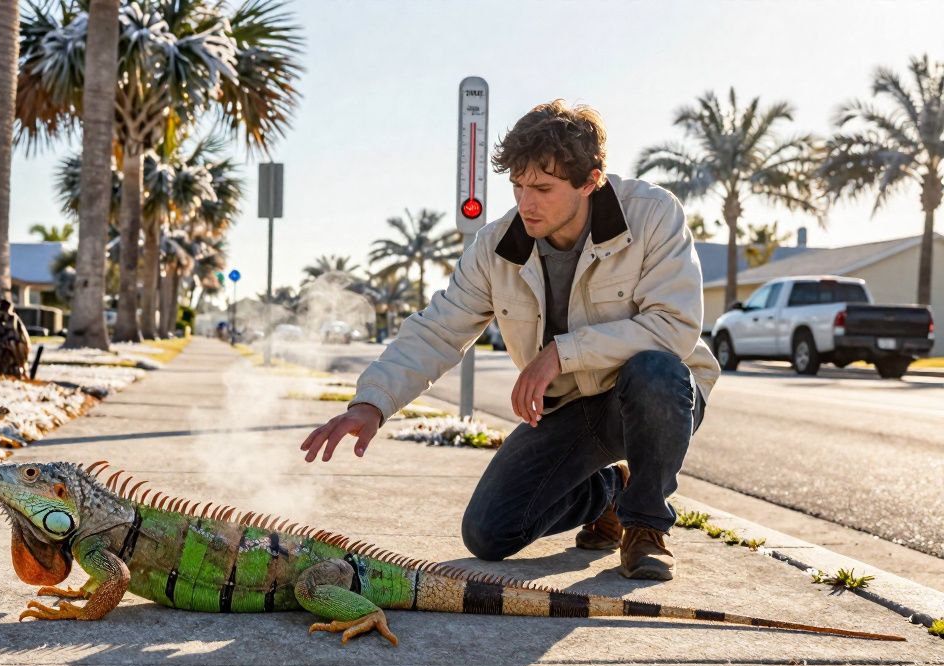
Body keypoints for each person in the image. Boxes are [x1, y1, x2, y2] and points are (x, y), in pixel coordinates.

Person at [299, 100, 720, 581]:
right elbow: (439, 328)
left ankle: (644, 524)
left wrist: (560, 354)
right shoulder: (498, 247)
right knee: (488, 534)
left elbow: (675, 327)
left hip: (657, 400)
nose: (526, 203)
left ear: (591, 181)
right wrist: (371, 404)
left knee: (656, 370)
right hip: (572, 409)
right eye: (518, 186)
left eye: (543, 188)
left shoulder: (651, 214)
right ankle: (607, 491)